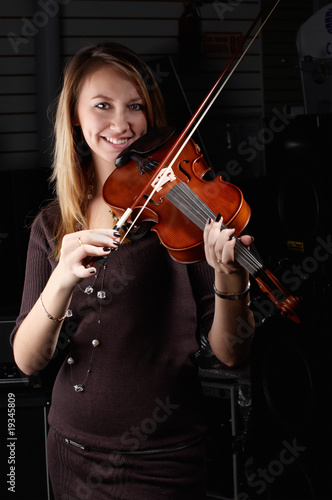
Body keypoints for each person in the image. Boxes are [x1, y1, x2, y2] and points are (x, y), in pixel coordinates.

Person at [11, 42, 255, 500]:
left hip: (166, 460)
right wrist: (62, 277)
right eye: (102, 106)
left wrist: (231, 279)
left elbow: (232, 354)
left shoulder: (182, 215)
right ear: (76, 117)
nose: (121, 124)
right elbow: (27, 360)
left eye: (135, 107)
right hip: (70, 453)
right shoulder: (51, 225)